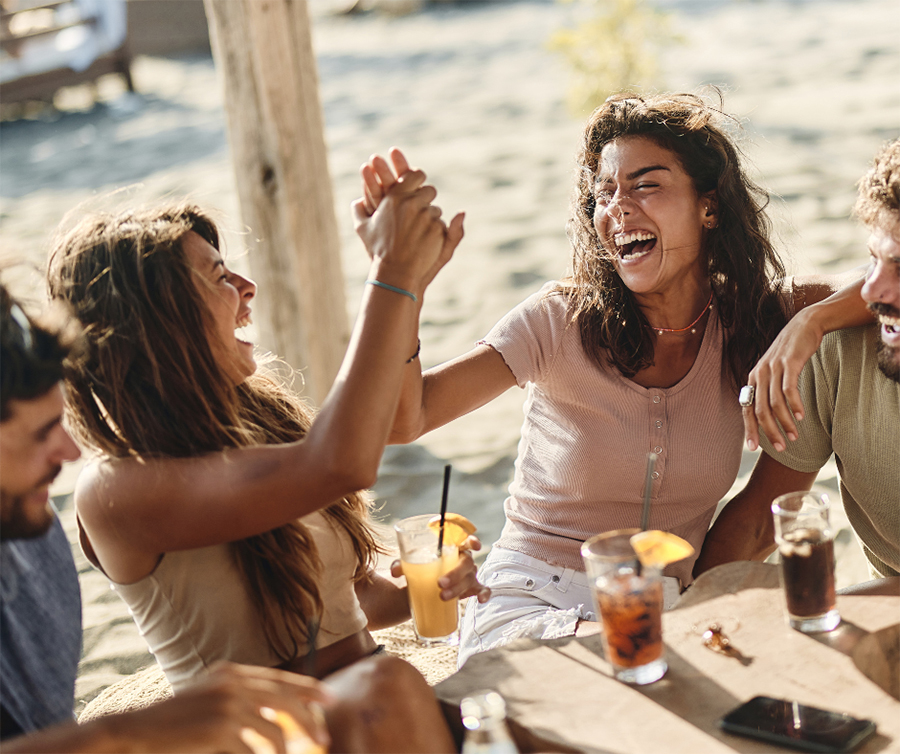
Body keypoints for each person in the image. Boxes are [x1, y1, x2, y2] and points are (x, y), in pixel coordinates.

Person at [356, 91, 871, 667]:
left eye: (646, 184)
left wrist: (812, 321)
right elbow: (406, 418)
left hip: (666, 611)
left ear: (710, 206)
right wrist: (402, 282)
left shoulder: (752, 320)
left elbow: (884, 280)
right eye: (604, 192)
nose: (617, 207)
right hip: (531, 598)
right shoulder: (557, 320)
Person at [47, 170, 486, 753]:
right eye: (218, 276)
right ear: (158, 323)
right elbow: (341, 463)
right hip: (265, 738)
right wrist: (393, 275)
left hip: (374, 711)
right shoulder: (116, 489)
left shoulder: (267, 424)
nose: (247, 285)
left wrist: (427, 591)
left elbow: (352, 602)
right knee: (382, 687)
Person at [1, 281, 332, 753]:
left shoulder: (33, 545)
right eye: (40, 434)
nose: (70, 452)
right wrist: (123, 731)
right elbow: (337, 463)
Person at [694, 139, 900, 595]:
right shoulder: (843, 349)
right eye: (874, 259)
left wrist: (834, 608)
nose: (873, 291)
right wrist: (690, 615)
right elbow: (757, 521)